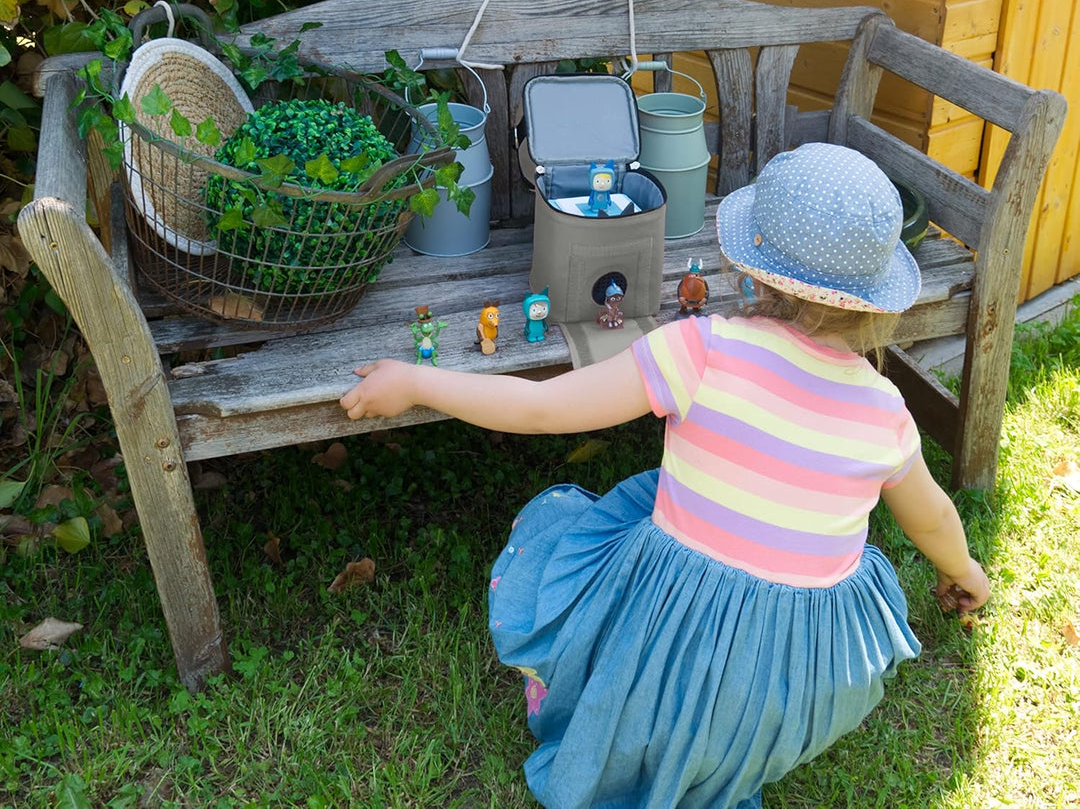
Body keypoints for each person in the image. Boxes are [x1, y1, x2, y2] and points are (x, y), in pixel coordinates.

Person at [339, 142, 990, 809]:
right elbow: (933, 516)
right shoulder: (885, 411)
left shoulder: (704, 349)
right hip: (793, 698)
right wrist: (964, 572)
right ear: (876, 300)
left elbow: (540, 408)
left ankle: (643, 722)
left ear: (753, 268)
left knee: (575, 525)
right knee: (854, 565)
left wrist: (418, 380)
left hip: (670, 658)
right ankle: (724, 749)